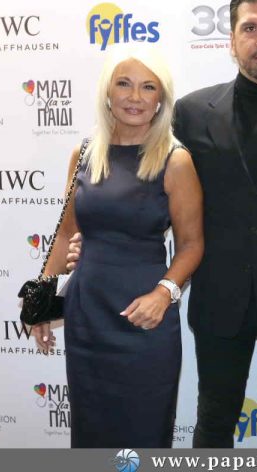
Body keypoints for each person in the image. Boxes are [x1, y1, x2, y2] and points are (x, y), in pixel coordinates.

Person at [68, 0, 257, 448]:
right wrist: (93, 238)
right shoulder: (190, 113)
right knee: (212, 425)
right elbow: (138, 183)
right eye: (250, 28)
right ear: (231, 39)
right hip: (218, 301)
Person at [31, 42, 203, 448]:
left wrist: (163, 294)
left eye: (148, 87)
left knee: (144, 434)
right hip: (87, 314)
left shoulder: (175, 159)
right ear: (107, 90)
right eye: (124, 84)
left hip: (146, 318)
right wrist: (41, 299)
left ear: (161, 98)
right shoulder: (84, 154)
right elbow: (65, 233)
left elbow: (192, 244)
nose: (135, 96)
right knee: (91, 434)